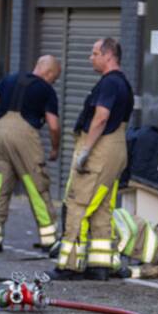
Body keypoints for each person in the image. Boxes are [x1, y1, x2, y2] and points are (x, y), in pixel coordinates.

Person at [52, 38, 133, 281]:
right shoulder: (124, 84)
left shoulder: (109, 83)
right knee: (101, 206)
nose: (91, 57)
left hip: (100, 148)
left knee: (79, 203)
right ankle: (100, 265)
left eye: (94, 53)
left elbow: (100, 118)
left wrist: (85, 151)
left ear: (108, 56)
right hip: (116, 148)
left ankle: (68, 265)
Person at [0, 55, 62, 253]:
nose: (54, 82)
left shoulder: (9, 79)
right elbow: (54, 125)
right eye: (55, 78)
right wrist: (55, 147)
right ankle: (49, 239)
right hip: (25, 136)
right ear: (49, 73)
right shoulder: (46, 89)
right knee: (36, 186)